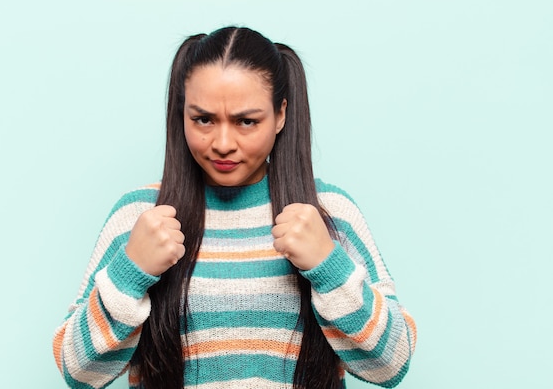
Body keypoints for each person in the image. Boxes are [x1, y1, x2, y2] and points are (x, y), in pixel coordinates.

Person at [52, 26, 417, 389]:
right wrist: (130, 273)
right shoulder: (139, 216)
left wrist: (328, 266)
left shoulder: (329, 212)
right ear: (182, 115)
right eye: (204, 119)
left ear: (282, 115)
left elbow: (392, 365)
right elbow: (79, 373)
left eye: (246, 121)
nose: (223, 143)